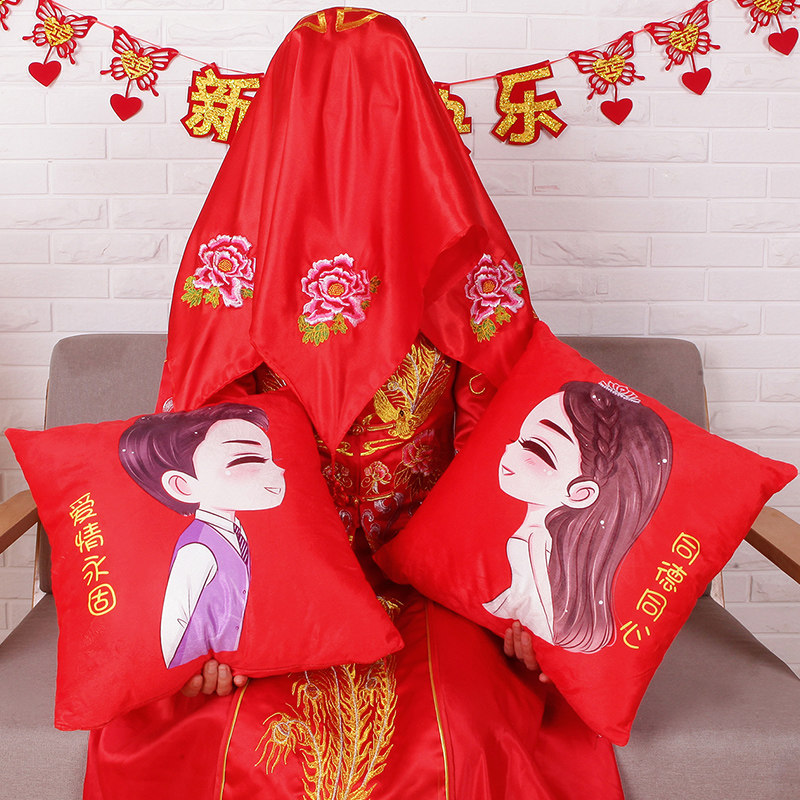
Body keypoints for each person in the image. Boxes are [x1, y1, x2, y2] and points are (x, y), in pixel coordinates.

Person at [84, 9, 624, 799]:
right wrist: (211, 626)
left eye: (374, 119)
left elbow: (505, 440)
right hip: (279, 580)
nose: (347, 152)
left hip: (433, 585)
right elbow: (197, 440)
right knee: (241, 741)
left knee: (465, 734)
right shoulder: (234, 272)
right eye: (324, 123)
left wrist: (527, 603)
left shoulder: (465, 267)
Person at [484, 381, 673, 653]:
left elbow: (542, 605)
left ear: (581, 493)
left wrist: (547, 648)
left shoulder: (536, 537)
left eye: (535, 449)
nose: (509, 449)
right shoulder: (545, 537)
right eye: (518, 437)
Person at [118, 403, 285, 668]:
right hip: (196, 665)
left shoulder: (237, 532)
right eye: (249, 460)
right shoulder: (198, 548)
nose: (280, 470)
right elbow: (175, 621)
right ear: (183, 485)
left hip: (232, 660)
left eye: (271, 459)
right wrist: (175, 677)